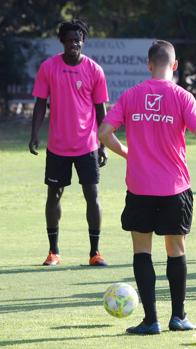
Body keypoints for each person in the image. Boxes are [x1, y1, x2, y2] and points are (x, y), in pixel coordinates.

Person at [99, 40, 196, 335]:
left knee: (142, 251)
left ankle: (150, 321)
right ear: (174, 65)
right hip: (175, 188)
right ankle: (178, 317)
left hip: (139, 188)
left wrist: (125, 152)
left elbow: (104, 132)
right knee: (176, 250)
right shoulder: (183, 97)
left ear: (149, 65)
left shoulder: (131, 95)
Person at [29, 19, 109, 267]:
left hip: (87, 145)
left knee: (92, 196)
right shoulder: (48, 68)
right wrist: (34, 134)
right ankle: (53, 252)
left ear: (83, 41)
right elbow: (40, 103)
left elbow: (100, 109)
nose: (75, 43)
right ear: (62, 41)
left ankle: (95, 253)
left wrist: (103, 143)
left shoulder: (94, 70)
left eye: (79, 39)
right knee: (54, 195)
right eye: (70, 39)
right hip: (58, 146)